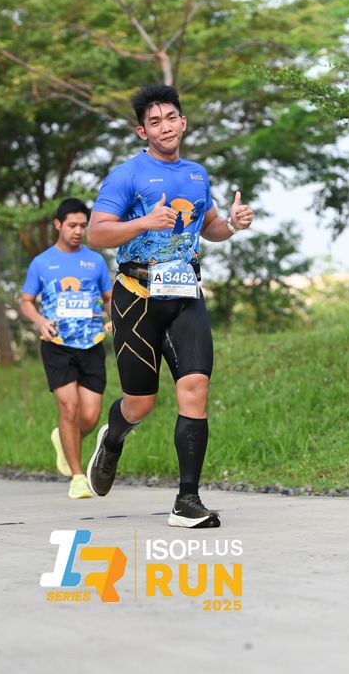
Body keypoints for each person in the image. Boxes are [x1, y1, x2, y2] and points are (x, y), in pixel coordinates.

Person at [86, 85, 253, 527]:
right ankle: (113, 438)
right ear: (143, 131)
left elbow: (208, 227)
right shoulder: (127, 175)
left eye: (171, 118)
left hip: (185, 297)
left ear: (183, 122)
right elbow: (96, 234)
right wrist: (144, 222)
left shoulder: (197, 175)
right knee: (140, 404)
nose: (165, 127)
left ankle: (187, 500)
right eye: (155, 122)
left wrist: (232, 225)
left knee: (195, 388)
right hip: (136, 299)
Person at [20, 198, 112, 499]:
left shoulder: (95, 262)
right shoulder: (42, 262)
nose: (78, 231)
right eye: (72, 225)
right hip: (57, 344)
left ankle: (64, 438)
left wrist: (115, 318)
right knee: (69, 408)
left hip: (92, 343)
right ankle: (77, 477)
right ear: (58, 225)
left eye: (83, 226)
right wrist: (40, 321)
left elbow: (108, 298)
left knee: (90, 417)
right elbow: (26, 302)